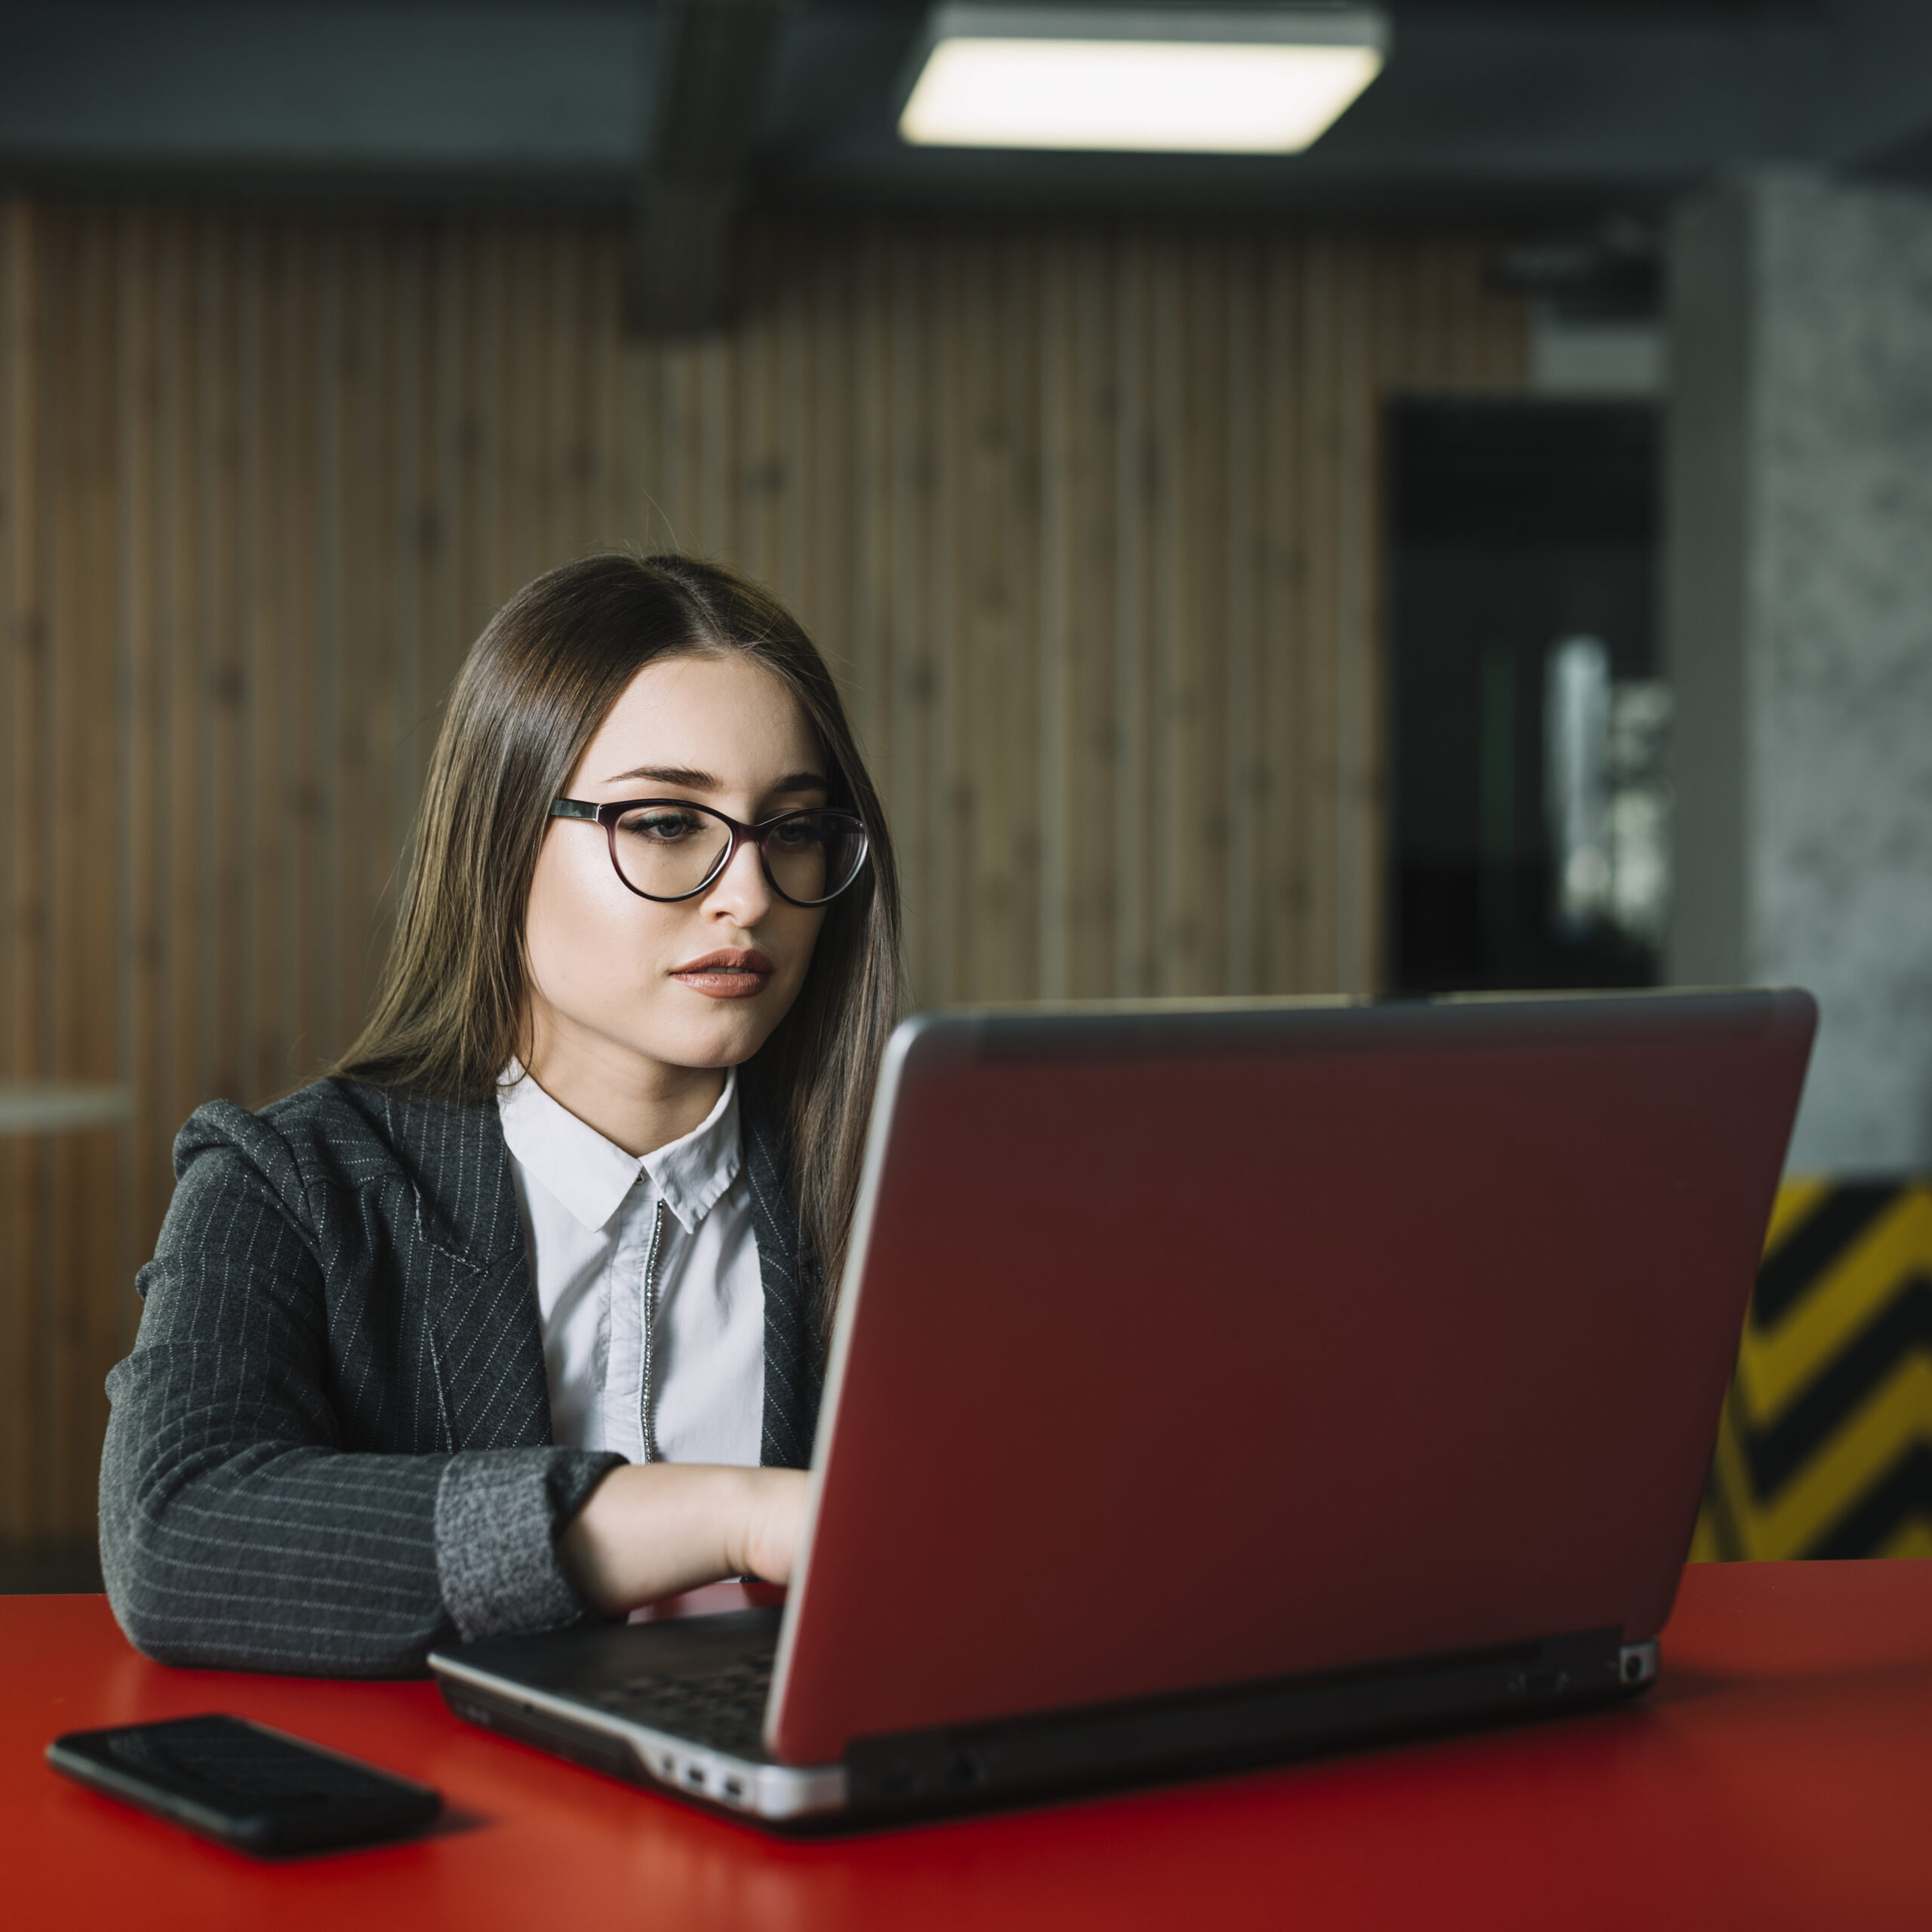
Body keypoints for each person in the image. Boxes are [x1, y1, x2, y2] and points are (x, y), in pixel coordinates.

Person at [97, 553, 902, 1675]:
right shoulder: (291, 1180)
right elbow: (177, 1535)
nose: (751, 895)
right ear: (503, 837)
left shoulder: (904, 1198)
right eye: (668, 822)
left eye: (796, 828)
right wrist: (731, 1516)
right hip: (449, 1839)